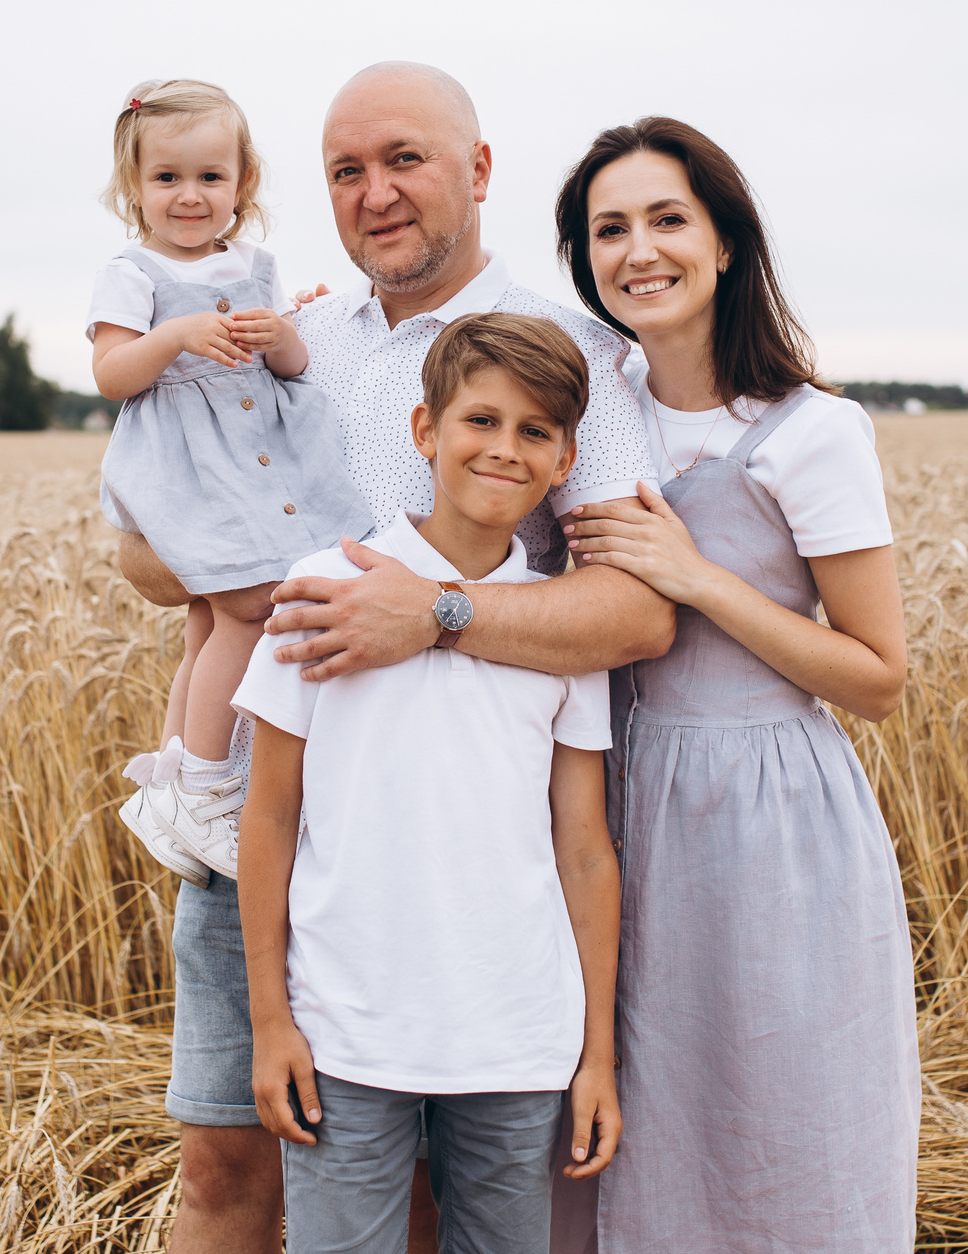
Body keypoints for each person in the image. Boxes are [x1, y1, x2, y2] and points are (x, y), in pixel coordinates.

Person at [113, 62, 674, 1254]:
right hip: (266, 811)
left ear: (476, 171)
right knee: (221, 1161)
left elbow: (634, 616)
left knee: (411, 1195)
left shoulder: (568, 356)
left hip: (440, 857)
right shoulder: (287, 338)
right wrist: (205, 565)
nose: (375, 194)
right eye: (345, 171)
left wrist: (438, 615)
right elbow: (147, 546)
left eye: (405, 160)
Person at [554, 118, 921, 1252]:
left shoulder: (812, 432)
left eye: (668, 219)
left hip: (762, 818)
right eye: (608, 229)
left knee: (772, 1120)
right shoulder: (578, 414)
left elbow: (876, 677)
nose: (638, 251)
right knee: (601, 1125)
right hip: (600, 805)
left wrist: (696, 582)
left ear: (725, 244)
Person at [237, 313, 623, 1254]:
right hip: (344, 1032)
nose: (504, 448)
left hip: (517, 1034)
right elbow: (271, 814)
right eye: (480, 421)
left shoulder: (563, 625)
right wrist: (270, 1019)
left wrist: (597, 1054)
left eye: (535, 431)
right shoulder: (325, 587)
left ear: (566, 455)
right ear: (425, 432)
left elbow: (582, 844)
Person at [91, 78, 377, 886]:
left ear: (242, 184)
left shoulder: (255, 263)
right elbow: (112, 373)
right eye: (167, 178)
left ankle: (176, 783)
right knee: (249, 607)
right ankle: (212, 780)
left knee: (213, 618)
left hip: (256, 451)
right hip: (189, 460)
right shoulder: (132, 270)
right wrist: (176, 333)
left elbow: (290, 363)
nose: (190, 196)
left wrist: (280, 331)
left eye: (211, 177)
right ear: (134, 188)